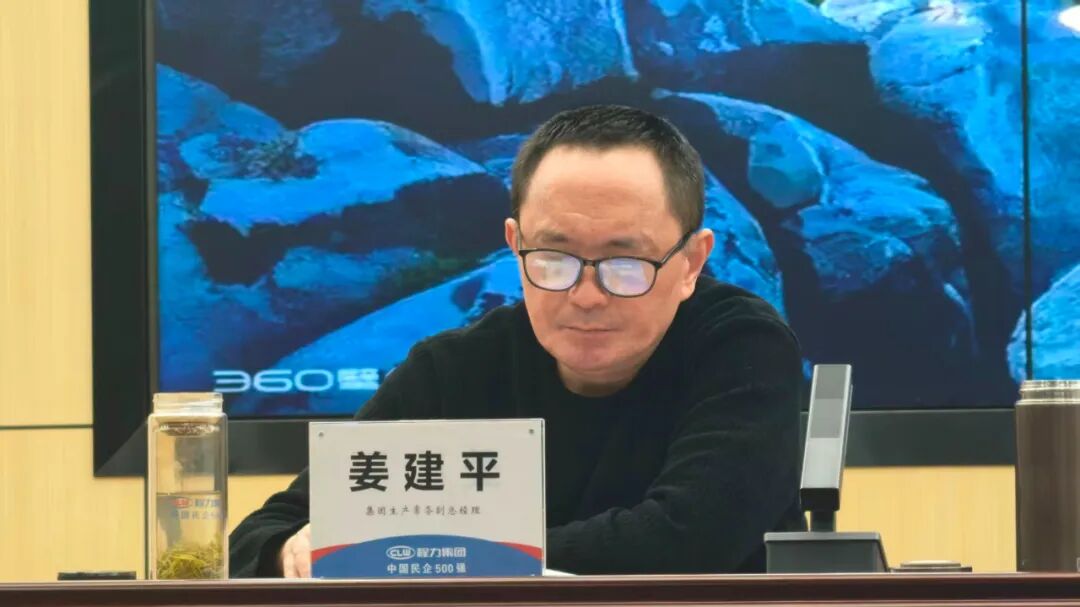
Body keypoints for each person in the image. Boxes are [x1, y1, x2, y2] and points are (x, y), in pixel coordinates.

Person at [229, 104, 805, 577]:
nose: (585, 295)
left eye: (625, 262)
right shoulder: (456, 366)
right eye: (553, 258)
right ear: (514, 245)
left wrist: (425, 556)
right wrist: (290, 553)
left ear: (691, 262)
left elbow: (684, 542)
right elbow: (263, 535)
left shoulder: (741, 347)